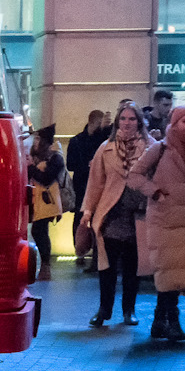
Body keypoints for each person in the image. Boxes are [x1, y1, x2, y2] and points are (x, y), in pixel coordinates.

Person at [128, 106, 185, 342]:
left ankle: (160, 319)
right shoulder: (160, 148)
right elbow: (135, 176)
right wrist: (155, 192)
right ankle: (172, 320)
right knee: (169, 271)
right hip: (163, 220)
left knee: (175, 272)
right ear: (174, 124)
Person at [79, 105, 157, 329]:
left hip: (139, 214)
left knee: (133, 267)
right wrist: (88, 211)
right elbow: (95, 183)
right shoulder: (106, 148)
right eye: (123, 118)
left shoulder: (151, 147)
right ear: (117, 122)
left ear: (139, 122)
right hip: (111, 214)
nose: (127, 122)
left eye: (132, 118)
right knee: (107, 266)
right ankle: (104, 309)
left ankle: (129, 310)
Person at [68, 110, 110, 269]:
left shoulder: (102, 140)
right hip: (83, 184)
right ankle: (80, 250)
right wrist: (88, 166)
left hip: (91, 184)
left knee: (93, 219)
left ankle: (92, 256)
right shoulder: (78, 141)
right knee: (81, 218)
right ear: (93, 122)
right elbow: (70, 164)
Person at [26, 125, 65, 282]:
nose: (35, 142)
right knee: (39, 232)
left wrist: (31, 167)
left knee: (40, 231)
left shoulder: (56, 158)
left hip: (47, 202)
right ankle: (44, 267)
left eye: (38, 139)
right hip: (37, 201)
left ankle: (46, 267)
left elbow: (46, 178)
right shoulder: (38, 156)